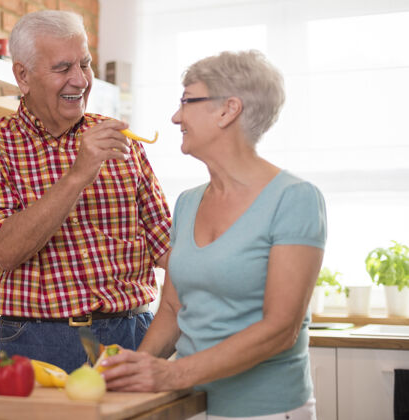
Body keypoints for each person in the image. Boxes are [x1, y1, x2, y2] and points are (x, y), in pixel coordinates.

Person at [102, 50, 326, 420]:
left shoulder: (294, 199)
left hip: (267, 411)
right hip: (192, 405)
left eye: (187, 101)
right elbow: (173, 308)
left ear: (228, 110)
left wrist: (173, 373)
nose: (176, 116)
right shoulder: (188, 203)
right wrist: (136, 370)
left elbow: (280, 329)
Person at [0, 10, 171, 374]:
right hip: (38, 340)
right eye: (63, 68)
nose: (80, 80)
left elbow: (165, 244)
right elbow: (5, 251)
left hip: (132, 333)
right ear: (23, 76)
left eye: (85, 64)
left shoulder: (120, 140)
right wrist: (78, 175)